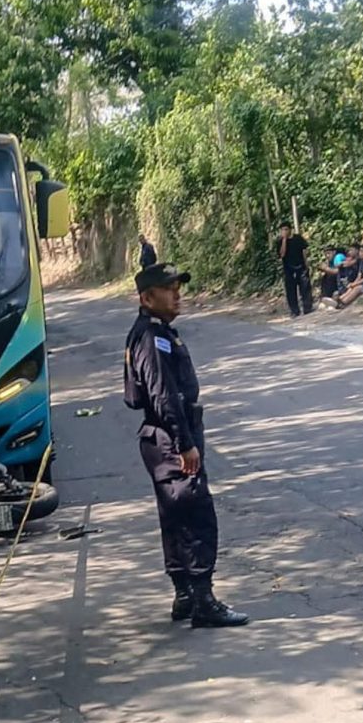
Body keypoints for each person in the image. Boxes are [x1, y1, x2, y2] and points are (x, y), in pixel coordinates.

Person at [123, 262, 249, 628]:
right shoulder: (151, 337)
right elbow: (164, 396)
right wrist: (185, 443)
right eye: (168, 288)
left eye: (178, 286)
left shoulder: (156, 332)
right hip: (170, 437)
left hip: (161, 437)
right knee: (195, 515)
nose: (177, 294)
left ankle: (184, 595)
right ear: (147, 298)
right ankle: (203, 600)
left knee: (175, 516)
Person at [329, 242, 363, 308]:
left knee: (357, 288)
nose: (360, 253)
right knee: (352, 287)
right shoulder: (362, 262)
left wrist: (356, 284)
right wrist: (354, 283)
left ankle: (343, 302)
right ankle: (339, 299)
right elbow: (359, 276)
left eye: (362, 251)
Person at [277, 222, 313, 316]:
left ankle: (307, 308)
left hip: (301, 266)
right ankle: (294, 310)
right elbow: (282, 254)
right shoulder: (280, 241)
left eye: (286, 229)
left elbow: (304, 250)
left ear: (290, 230)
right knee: (291, 290)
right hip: (288, 268)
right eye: (282, 230)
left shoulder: (298, 238)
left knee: (305, 287)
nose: (284, 231)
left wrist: (306, 263)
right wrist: (284, 240)